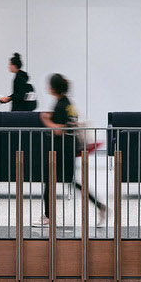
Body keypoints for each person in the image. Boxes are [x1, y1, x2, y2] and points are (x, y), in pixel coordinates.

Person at [39, 73, 104, 224]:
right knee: (67, 181)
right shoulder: (68, 104)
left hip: (61, 149)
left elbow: (58, 130)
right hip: (69, 148)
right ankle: (100, 206)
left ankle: (48, 217)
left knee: (50, 181)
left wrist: (47, 121)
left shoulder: (60, 104)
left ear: (53, 88)